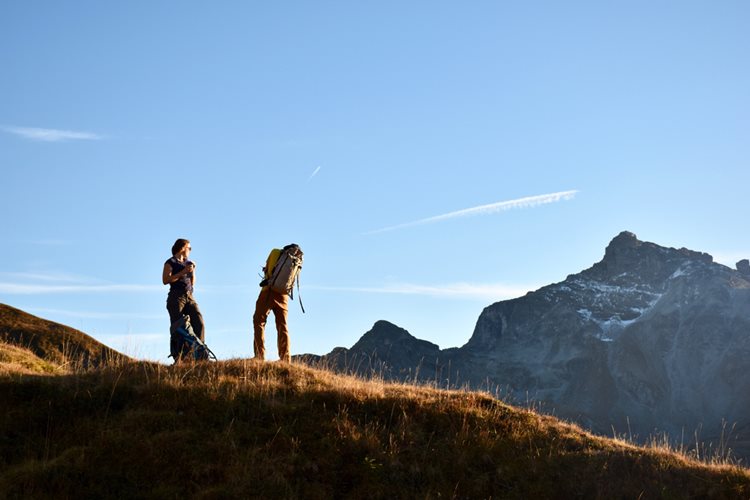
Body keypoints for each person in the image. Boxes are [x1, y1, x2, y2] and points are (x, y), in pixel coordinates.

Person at [162, 238, 205, 361]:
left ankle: (200, 354)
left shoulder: (187, 262)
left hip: (189, 296)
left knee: (199, 322)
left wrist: (193, 271)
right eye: (189, 248)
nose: (190, 250)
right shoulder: (170, 262)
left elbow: (193, 282)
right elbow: (165, 280)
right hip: (176, 297)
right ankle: (179, 358)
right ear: (182, 248)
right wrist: (183, 272)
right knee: (178, 328)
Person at [252, 245, 297, 363]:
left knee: (259, 321)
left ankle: (259, 355)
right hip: (284, 296)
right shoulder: (294, 261)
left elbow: (268, 269)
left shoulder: (275, 252)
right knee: (282, 325)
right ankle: (285, 358)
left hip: (268, 291)